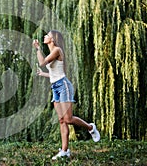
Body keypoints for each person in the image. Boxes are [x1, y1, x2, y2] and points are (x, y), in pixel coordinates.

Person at [33, 30, 100, 160]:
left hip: (63, 86)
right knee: (62, 120)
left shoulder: (57, 50)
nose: (45, 36)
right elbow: (54, 73)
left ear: (52, 39)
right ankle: (65, 151)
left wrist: (37, 49)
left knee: (68, 119)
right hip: (55, 87)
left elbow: (42, 63)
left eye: (47, 35)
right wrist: (43, 74)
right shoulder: (52, 53)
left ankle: (90, 127)